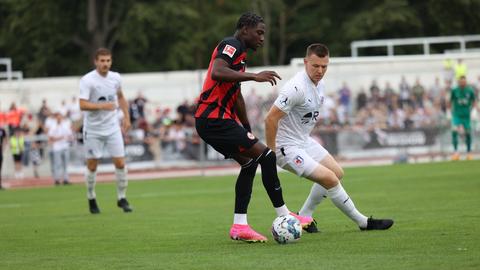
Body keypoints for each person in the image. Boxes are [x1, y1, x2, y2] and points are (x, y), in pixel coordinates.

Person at [194, 12, 313, 243]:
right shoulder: (231, 44)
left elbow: (236, 95)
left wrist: (246, 128)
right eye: (259, 32)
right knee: (267, 157)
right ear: (244, 29)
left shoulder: (241, 55)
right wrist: (254, 77)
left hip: (216, 121)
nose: (262, 38)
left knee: (249, 164)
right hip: (213, 118)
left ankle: (239, 226)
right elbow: (217, 72)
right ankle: (284, 214)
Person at [265, 43, 394, 233]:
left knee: (337, 172)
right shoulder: (295, 87)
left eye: (324, 66)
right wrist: (270, 153)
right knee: (330, 179)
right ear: (305, 62)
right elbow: (270, 118)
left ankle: (305, 216)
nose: (320, 70)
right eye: (315, 66)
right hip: (287, 147)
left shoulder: (320, 84)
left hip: (303, 141)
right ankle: (364, 222)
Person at [79, 48, 132, 214]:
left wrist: (127, 117)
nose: (105, 64)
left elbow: (121, 97)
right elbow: (82, 104)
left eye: (108, 60)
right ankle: (91, 197)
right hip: (93, 129)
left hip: (112, 128)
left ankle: (122, 198)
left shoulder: (115, 78)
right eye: (102, 61)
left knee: (120, 163)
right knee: (93, 166)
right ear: (96, 61)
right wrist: (103, 105)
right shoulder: (88, 80)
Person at [449, 75, 476, 161]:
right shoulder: (454, 90)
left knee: (468, 133)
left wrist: (473, 110)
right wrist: (449, 112)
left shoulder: (470, 90)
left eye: (464, 81)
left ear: (466, 82)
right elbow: (450, 101)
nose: (462, 83)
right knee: (454, 131)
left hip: (466, 116)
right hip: (457, 115)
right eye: (461, 81)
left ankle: (469, 153)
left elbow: (474, 101)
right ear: (458, 82)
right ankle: (456, 153)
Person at [47, 111, 73, 185]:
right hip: (57, 147)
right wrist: (59, 138)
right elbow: (50, 137)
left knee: (66, 164)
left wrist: (68, 138)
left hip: (65, 146)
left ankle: (66, 179)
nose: (59, 118)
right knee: (57, 164)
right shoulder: (53, 126)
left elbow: (70, 135)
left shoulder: (65, 125)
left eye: (60, 117)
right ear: (56, 118)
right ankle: (57, 179)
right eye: (57, 117)